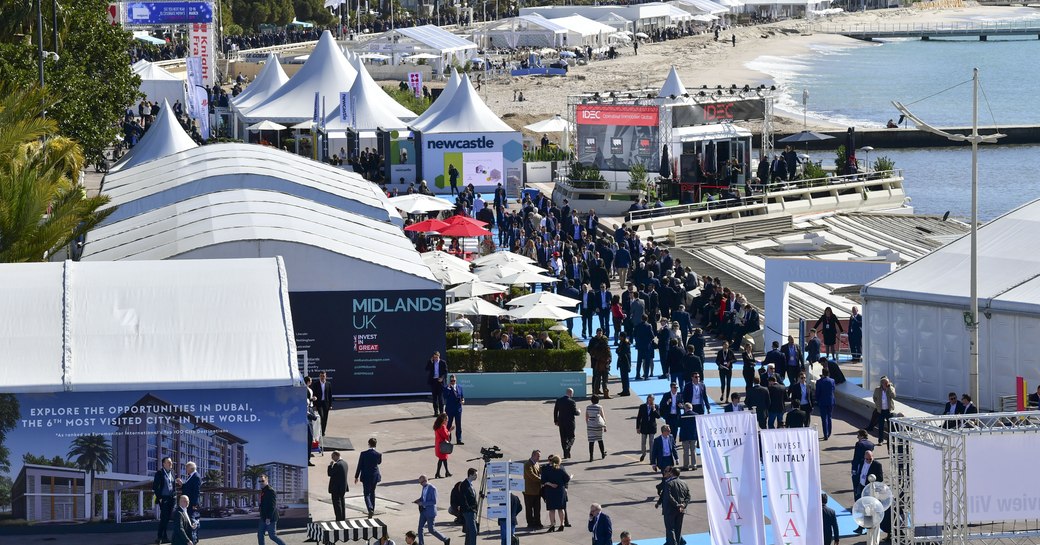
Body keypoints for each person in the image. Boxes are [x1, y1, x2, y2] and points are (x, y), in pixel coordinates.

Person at [853, 450, 884, 535]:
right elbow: (859, 473)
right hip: (861, 486)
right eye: (867, 459)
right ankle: (862, 527)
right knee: (861, 507)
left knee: (868, 509)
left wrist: (871, 479)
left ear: (873, 457)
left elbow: (880, 479)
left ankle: (866, 527)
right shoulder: (862, 462)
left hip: (870, 490)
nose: (868, 461)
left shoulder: (877, 465)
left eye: (870, 459)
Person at [657, 467, 690, 545]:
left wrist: (677, 505)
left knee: (670, 528)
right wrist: (683, 505)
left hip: (670, 510)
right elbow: (688, 496)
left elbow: (669, 496)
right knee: (678, 529)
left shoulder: (669, 483)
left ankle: (673, 543)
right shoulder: (684, 483)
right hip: (681, 510)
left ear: (671, 473)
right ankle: (677, 543)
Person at [414, 475, 450, 545]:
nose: (420, 484)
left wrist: (423, 503)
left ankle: (445, 539)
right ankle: (421, 543)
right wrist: (418, 500)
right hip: (423, 511)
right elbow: (423, 497)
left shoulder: (432, 488)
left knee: (431, 530)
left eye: (421, 483)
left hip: (430, 512)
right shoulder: (424, 488)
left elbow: (434, 501)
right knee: (420, 528)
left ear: (425, 481)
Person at [541, 454, 570, 532]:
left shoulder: (546, 469)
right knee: (561, 508)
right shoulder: (561, 468)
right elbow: (567, 478)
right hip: (560, 490)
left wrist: (550, 484)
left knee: (551, 509)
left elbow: (543, 481)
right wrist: (561, 483)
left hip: (550, 491)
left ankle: (552, 525)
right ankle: (562, 524)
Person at [356, 437, 382, 518]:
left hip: (366, 476)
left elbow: (359, 465)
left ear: (368, 444)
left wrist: (356, 476)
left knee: (366, 493)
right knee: (372, 492)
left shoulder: (363, 454)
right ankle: (372, 509)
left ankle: (370, 509)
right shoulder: (378, 454)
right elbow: (379, 462)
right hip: (374, 476)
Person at [153, 456, 177, 545]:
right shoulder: (159, 473)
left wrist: (175, 495)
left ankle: (165, 537)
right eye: (168, 462)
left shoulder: (173, 473)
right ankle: (159, 537)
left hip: (171, 499)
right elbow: (155, 487)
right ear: (164, 464)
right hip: (164, 498)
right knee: (164, 518)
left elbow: (173, 486)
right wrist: (160, 497)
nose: (171, 463)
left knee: (167, 519)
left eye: (171, 462)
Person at [258, 474, 287, 545]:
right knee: (260, 534)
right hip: (263, 517)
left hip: (270, 518)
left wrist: (268, 518)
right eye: (259, 481)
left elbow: (272, 506)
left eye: (262, 480)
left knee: (272, 536)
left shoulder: (271, 491)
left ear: (266, 480)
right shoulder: (263, 490)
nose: (261, 482)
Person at [554, 388, 580, 459]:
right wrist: (579, 412)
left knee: (563, 438)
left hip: (561, 422)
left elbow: (555, 411)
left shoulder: (559, 400)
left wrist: (556, 420)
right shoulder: (572, 401)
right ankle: (567, 450)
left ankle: (565, 452)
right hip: (570, 423)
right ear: (571, 393)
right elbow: (575, 412)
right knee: (572, 438)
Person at [178, 461, 201, 542]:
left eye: (186, 468)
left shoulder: (196, 477)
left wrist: (194, 504)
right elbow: (188, 488)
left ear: (191, 468)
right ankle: (192, 538)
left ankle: (193, 539)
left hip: (192, 504)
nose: (186, 469)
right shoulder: (191, 476)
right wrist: (182, 485)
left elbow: (196, 491)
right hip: (189, 503)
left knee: (192, 521)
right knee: (190, 520)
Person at [851, 429, 875, 500]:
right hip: (868, 465)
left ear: (861, 436)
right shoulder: (871, 444)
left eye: (858, 435)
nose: (857, 437)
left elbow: (856, 456)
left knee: (856, 485)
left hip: (859, 465)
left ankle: (857, 499)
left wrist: (854, 468)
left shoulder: (859, 444)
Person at [589, 329, 612, 398]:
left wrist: (608, 361)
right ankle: (595, 391)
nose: (599, 334)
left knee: (605, 379)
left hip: (604, 363)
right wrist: (595, 356)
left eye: (600, 333)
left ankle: (604, 393)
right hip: (596, 362)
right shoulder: (593, 340)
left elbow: (609, 354)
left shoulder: (605, 342)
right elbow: (590, 350)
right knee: (596, 378)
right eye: (598, 333)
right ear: (596, 333)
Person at [873, 376, 896, 445]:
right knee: (881, 426)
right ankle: (880, 440)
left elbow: (893, 396)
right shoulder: (877, 389)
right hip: (881, 411)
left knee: (891, 426)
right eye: (885, 383)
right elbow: (874, 398)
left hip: (889, 411)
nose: (886, 384)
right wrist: (877, 405)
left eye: (887, 382)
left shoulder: (891, 388)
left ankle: (891, 440)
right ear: (882, 383)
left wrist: (888, 389)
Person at [636, 394, 659, 462]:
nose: (651, 402)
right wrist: (638, 427)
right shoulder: (642, 406)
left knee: (651, 443)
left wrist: (654, 409)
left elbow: (658, 416)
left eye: (652, 400)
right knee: (643, 442)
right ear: (647, 400)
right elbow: (639, 417)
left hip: (652, 427)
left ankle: (651, 458)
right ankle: (643, 453)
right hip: (644, 427)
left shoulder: (656, 406)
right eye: (649, 400)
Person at [523, 450, 543, 528]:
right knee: (529, 509)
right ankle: (530, 523)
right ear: (533, 455)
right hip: (529, 491)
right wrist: (542, 480)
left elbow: (540, 472)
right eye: (538, 456)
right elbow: (532, 476)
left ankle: (538, 522)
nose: (539, 458)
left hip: (537, 491)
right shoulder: (527, 464)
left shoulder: (537, 464)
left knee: (537, 508)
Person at [816, 366, 837, 440]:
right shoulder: (832, 381)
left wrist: (816, 400)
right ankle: (829, 432)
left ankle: (825, 434)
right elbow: (833, 389)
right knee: (829, 417)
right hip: (830, 401)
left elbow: (817, 392)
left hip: (822, 401)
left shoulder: (819, 381)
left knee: (824, 418)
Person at [443, 375, 465, 444]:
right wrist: (448, 388)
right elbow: (445, 396)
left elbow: (462, 397)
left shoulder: (460, 387)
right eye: (451, 381)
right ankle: (448, 439)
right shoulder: (446, 388)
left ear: (456, 380)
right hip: (450, 409)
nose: (453, 382)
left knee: (458, 425)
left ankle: (459, 440)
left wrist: (463, 401)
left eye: (454, 381)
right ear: (450, 381)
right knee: (449, 424)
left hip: (458, 409)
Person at [586, 395, 608, 461]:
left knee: (591, 441)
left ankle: (591, 457)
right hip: (598, 425)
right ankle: (602, 453)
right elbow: (603, 417)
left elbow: (586, 417)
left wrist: (588, 424)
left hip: (590, 426)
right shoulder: (599, 407)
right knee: (600, 440)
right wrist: (605, 426)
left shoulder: (588, 407)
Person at [328, 451, 349, 521]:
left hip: (336, 488)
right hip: (343, 487)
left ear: (336, 456)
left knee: (337, 504)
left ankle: (339, 519)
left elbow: (330, 473)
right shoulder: (345, 463)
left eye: (333, 457)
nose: (332, 459)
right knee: (342, 503)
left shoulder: (337, 464)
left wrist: (330, 466)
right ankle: (343, 518)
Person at [460, 468, 478, 545]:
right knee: (473, 531)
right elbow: (463, 499)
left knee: (469, 532)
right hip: (468, 512)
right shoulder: (464, 485)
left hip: (471, 511)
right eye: (475, 475)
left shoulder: (470, 484)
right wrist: (470, 509)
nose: (476, 476)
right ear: (470, 475)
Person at [677, 404, 698, 470]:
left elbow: (679, 424)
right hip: (693, 435)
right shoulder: (696, 415)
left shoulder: (682, 416)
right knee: (693, 451)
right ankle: (694, 465)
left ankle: (686, 466)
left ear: (685, 408)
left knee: (685, 452)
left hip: (685, 435)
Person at [311, 371, 333, 436]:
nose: (322, 377)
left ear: (325, 376)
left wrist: (330, 405)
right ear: (319, 376)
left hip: (326, 403)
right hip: (319, 404)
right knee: (321, 417)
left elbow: (330, 395)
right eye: (321, 376)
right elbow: (314, 394)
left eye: (323, 376)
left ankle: (323, 432)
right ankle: (319, 430)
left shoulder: (328, 384)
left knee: (325, 418)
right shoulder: (316, 384)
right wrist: (314, 405)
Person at [433, 414, 453, 478]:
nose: (447, 421)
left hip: (438, 445)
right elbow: (446, 436)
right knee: (442, 459)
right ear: (444, 420)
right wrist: (450, 430)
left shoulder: (437, 425)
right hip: (443, 446)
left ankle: (446, 472)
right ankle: (438, 473)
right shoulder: (442, 427)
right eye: (446, 420)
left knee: (443, 459)